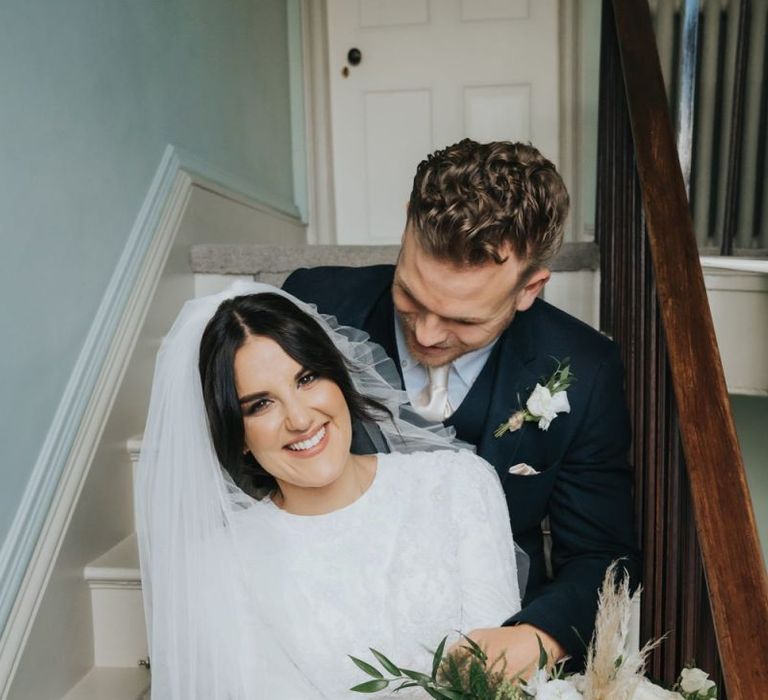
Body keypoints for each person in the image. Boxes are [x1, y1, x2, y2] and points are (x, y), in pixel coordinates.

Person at [283, 139, 640, 672]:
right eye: (411, 296)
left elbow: (599, 554)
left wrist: (534, 640)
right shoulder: (312, 305)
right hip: (324, 626)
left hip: (494, 626)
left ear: (530, 289)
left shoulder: (584, 370)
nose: (427, 333)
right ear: (407, 225)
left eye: (465, 320)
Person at [135, 282, 521, 699]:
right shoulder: (218, 562)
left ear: (337, 376)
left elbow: (499, 674)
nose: (299, 419)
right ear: (238, 433)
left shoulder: (459, 484)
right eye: (260, 404)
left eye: (307, 378)